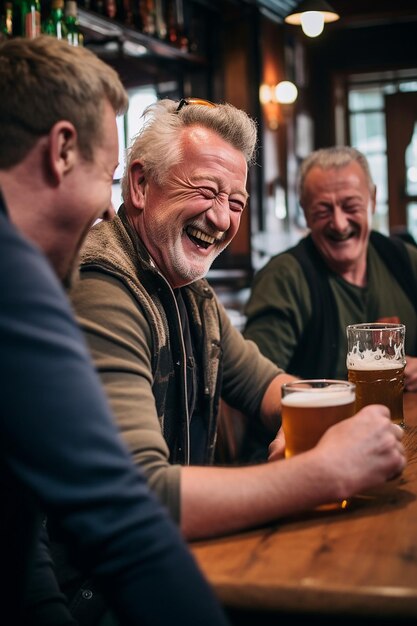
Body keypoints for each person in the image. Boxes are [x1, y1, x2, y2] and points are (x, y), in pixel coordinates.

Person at [68, 99, 405, 561]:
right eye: (206, 191)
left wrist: (326, 425)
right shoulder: (104, 286)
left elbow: (268, 384)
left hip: (166, 555)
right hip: (100, 585)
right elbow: (139, 494)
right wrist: (323, 472)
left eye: (236, 202)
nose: (223, 219)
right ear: (141, 184)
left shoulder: (190, 289)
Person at [0, 36, 230, 626]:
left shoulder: (189, 288)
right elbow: (123, 515)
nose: (106, 213)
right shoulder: (22, 274)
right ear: (61, 151)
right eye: (107, 179)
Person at [244, 146, 417, 388]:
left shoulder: (405, 261)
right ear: (304, 211)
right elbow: (256, 386)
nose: (339, 223)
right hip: (319, 425)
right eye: (323, 210)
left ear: (373, 200)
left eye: (350, 206)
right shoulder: (284, 278)